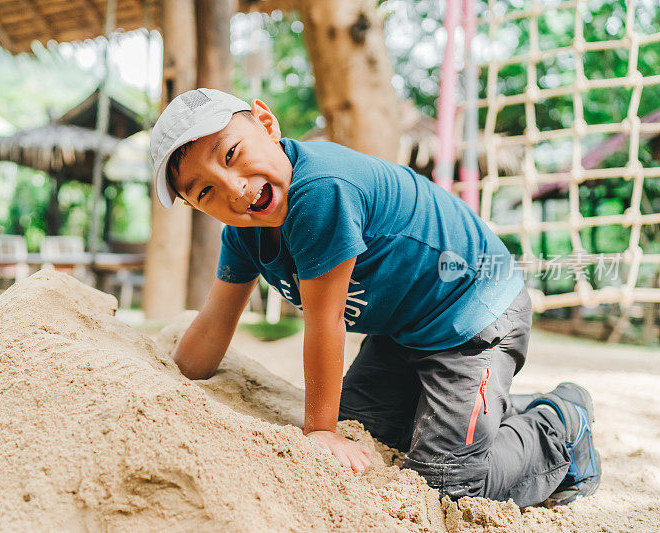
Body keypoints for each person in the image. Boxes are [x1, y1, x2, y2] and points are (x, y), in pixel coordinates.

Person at [149, 88, 600, 507]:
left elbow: (326, 323)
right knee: (369, 433)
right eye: (205, 190)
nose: (234, 188)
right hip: (403, 327)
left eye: (232, 154)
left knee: (448, 482)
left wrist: (321, 432)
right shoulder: (244, 234)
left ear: (267, 123)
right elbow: (215, 321)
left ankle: (560, 426)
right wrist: (161, 382)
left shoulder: (321, 191)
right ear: (195, 207)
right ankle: (487, 416)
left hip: (473, 313)